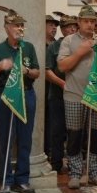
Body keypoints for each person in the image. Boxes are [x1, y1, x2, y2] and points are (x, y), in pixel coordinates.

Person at [57, 5, 97, 189]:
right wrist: (81, 51)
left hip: (96, 97)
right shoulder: (68, 41)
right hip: (74, 96)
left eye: (93, 22)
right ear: (79, 22)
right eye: (86, 21)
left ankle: (94, 173)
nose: (90, 25)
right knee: (74, 135)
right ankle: (75, 174)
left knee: (96, 136)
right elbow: (62, 66)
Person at [0, 7, 40, 193]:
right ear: (6, 28)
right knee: (5, 140)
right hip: (6, 96)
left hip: (26, 94)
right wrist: (0, 67)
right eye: (16, 25)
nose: (20, 28)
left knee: (25, 139)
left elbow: (37, 72)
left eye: (22, 25)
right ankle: (5, 181)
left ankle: (22, 180)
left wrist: (26, 71)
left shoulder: (29, 48)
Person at [45, 12, 78, 173]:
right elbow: (47, 71)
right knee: (56, 131)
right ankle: (57, 163)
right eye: (68, 27)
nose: (72, 29)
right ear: (63, 30)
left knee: (75, 131)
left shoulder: (80, 45)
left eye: (74, 26)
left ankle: (74, 163)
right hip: (57, 96)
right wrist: (62, 83)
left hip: (77, 97)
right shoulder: (54, 47)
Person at [44, 14, 60, 162]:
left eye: (55, 25)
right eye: (50, 25)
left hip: (56, 89)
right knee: (44, 120)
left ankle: (52, 151)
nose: (54, 28)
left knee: (53, 122)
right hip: (42, 88)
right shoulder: (38, 45)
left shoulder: (59, 45)